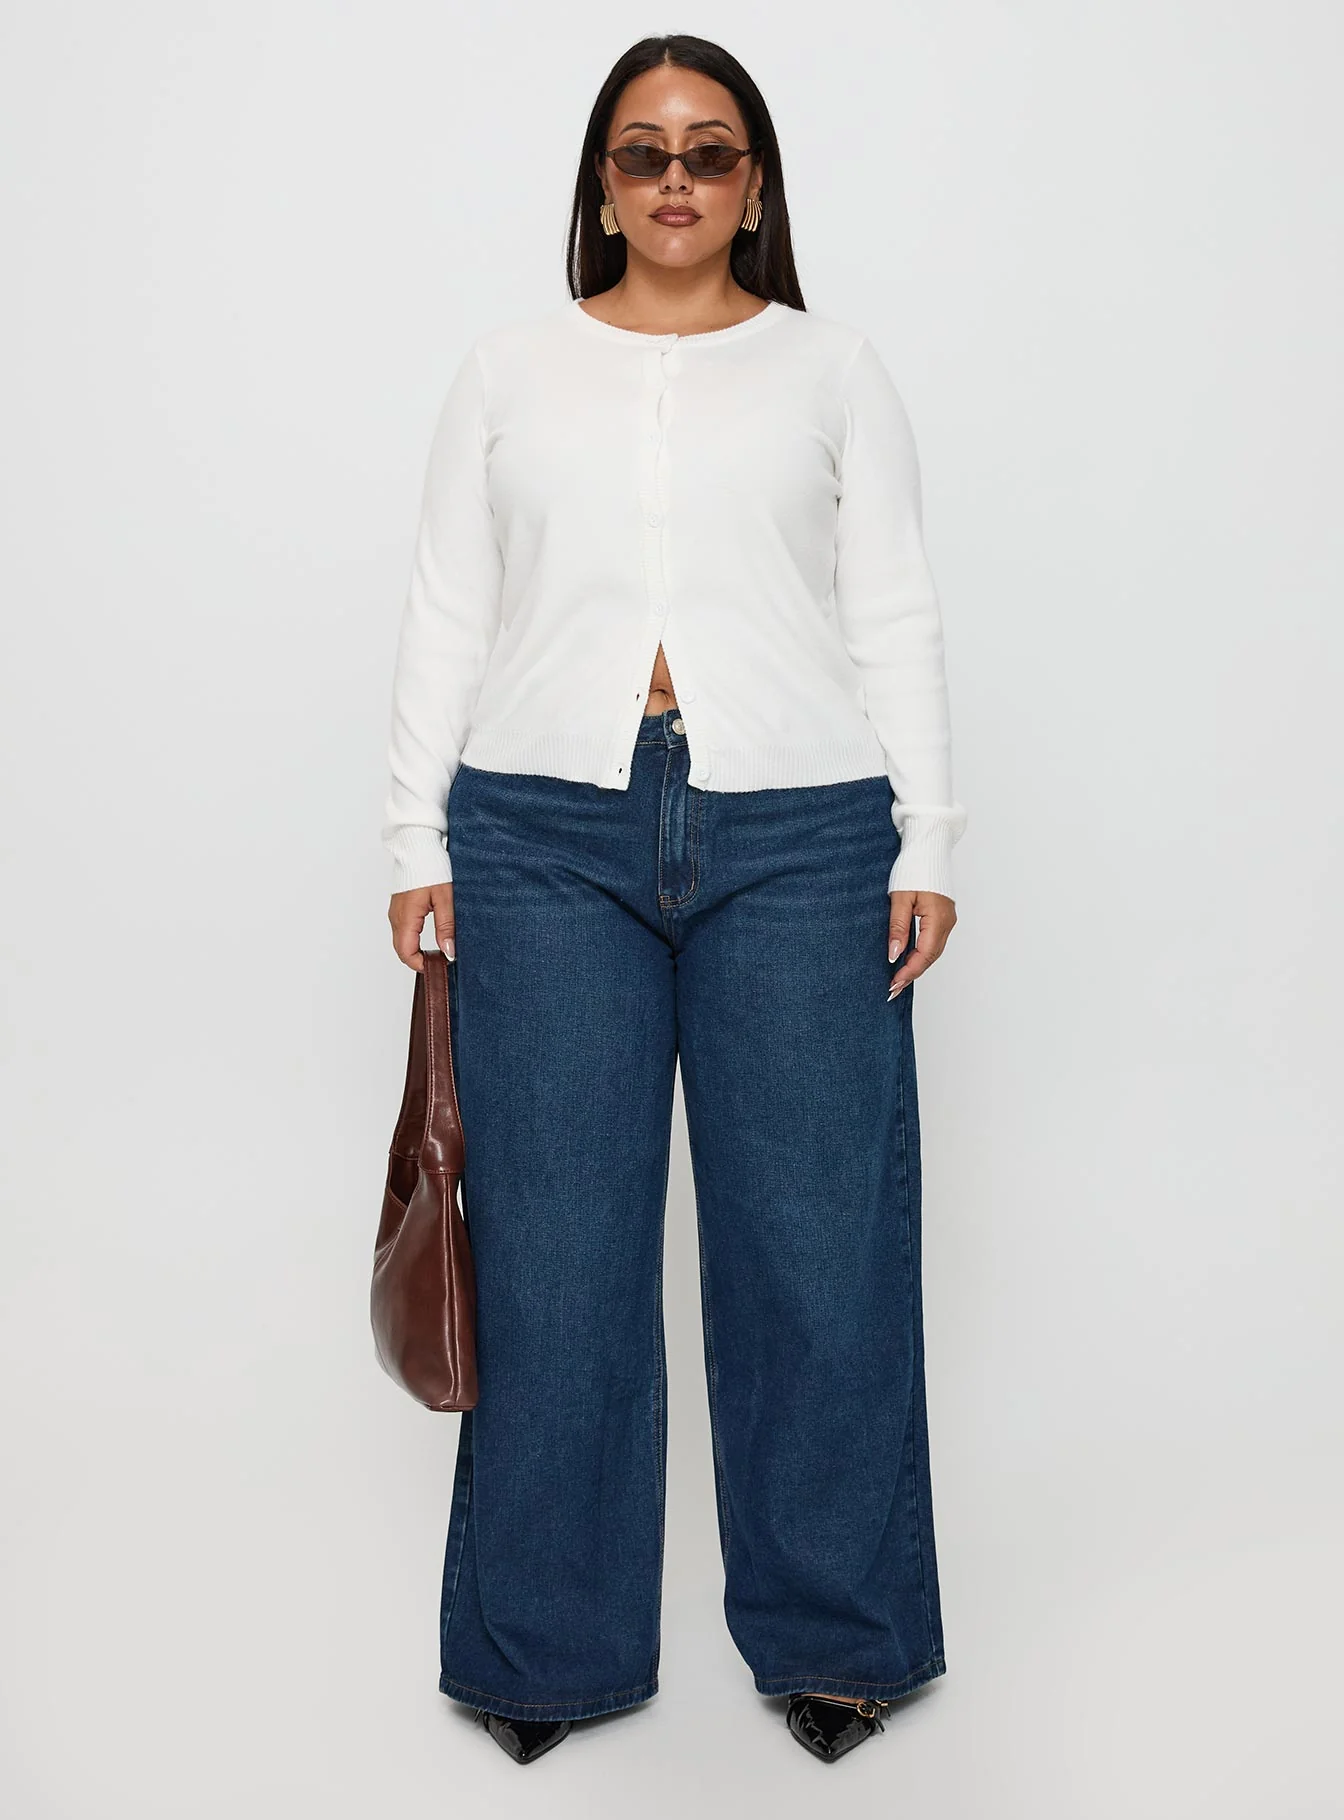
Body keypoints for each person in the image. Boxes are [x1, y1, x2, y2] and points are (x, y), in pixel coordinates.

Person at [381, 32, 967, 1767]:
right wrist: (414, 838)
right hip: (541, 835)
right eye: (644, 153)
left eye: (711, 151)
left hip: (801, 837)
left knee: (817, 1253)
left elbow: (894, 605)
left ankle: (841, 1636)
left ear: (756, 185)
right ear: (603, 184)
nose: (677, 179)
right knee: (557, 1259)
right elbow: (447, 605)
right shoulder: (508, 371)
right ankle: (542, 1646)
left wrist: (927, 839)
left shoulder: (832, 370)